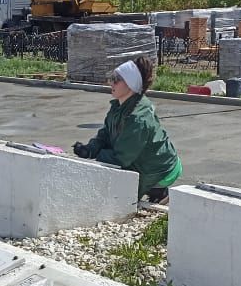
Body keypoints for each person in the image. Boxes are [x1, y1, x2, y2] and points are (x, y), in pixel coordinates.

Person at [72, 57, 182, 203]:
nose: (111, 82)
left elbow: (122, 159)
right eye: (112, 78)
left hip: (159, 169)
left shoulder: (137, 118)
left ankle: (158, 190)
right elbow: (106, 133)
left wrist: (98, 154)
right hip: (142, 160)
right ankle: (155, 190)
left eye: (117, 79)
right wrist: (90, 149)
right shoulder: (119, 106)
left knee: (119, 198)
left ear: (130, 84)